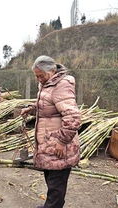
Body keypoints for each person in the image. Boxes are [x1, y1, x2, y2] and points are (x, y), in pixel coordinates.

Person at [20, 55, 81, 208]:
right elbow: (49, 106)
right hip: (49, 144)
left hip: (59, 146)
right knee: (52, 182)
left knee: (56, 185)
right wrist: (32, 109)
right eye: (36, 76)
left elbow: (73, 116)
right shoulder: (47, 83)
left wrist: (62, 141)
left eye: (41, 75)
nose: (39, 79)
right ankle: (51, 205)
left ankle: (52, 206)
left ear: (53, 70)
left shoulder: (62, 85)